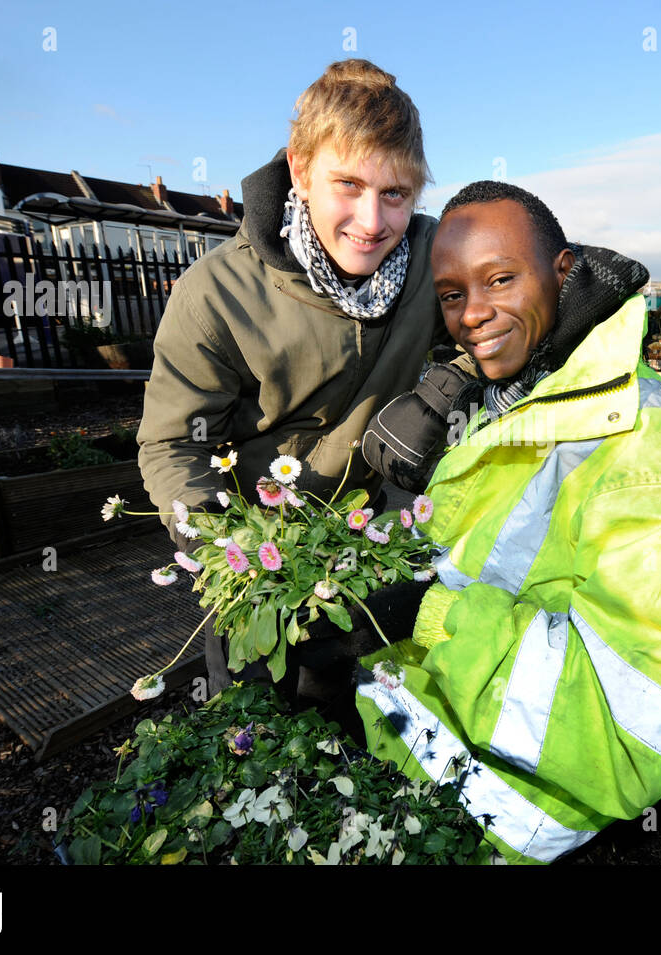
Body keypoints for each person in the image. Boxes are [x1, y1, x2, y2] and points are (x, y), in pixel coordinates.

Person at [354, 181, 661, 864]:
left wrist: (424, 615)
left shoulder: (651, 448)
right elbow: (487, 567)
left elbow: (638, 726)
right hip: (412, 749)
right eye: (453, 295)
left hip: (486, 820)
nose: (472, 315)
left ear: (563, 271)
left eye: (500, 279)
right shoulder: (516, 400)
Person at [137, 59, 463, 700]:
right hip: (262, 558)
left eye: (395, 193)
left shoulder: (432, 259)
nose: (372, 221)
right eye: (348, 184)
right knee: (259, 730)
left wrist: (443, 390)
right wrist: (221, 540)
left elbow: (497, 330)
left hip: (379, 549)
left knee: (369, 721)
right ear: (300, 169)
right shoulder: (217, 293)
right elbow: (172, 444)